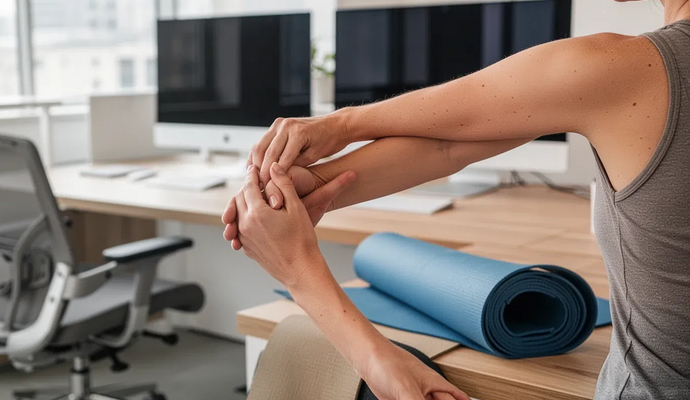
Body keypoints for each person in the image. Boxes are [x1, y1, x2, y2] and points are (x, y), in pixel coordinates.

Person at [221, 0, 690, 398]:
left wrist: (296, 263)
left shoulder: (629, 69)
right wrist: (309, 185)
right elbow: (451, 143)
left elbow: (454, 138)